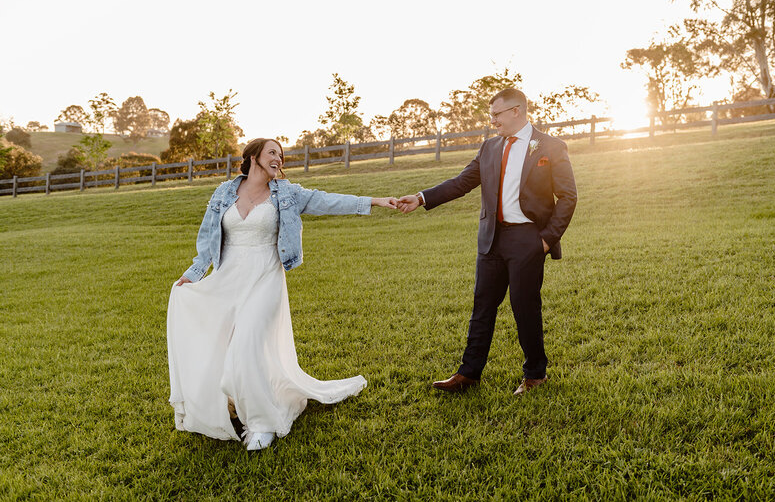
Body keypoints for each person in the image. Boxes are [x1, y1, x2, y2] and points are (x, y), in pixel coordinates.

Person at [167, 138, 398, 451]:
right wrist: (193, 274)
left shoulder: (287, 193)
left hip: (266, 277)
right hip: (229, 277)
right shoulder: (224, 192)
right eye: (272, 152)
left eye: (281, 155)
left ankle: (262, 423)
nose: (279, 158)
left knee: (247, 343)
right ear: (252, 157)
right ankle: (235, 401)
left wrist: (374, 201)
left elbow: (327, 201)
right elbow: (209, 237)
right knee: (228, 347)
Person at [397, 88, 577, 395]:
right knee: (482, 306)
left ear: (517, 111)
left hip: (528, 239)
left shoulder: (551, 146)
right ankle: (468, 373)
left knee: (525, 307)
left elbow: (568, 197)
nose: (493, 121)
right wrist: (421, 198)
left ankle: (536, 374)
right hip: (492, 239)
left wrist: (546, 240)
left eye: (496, 114)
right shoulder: (490, 148)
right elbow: (462, 182)